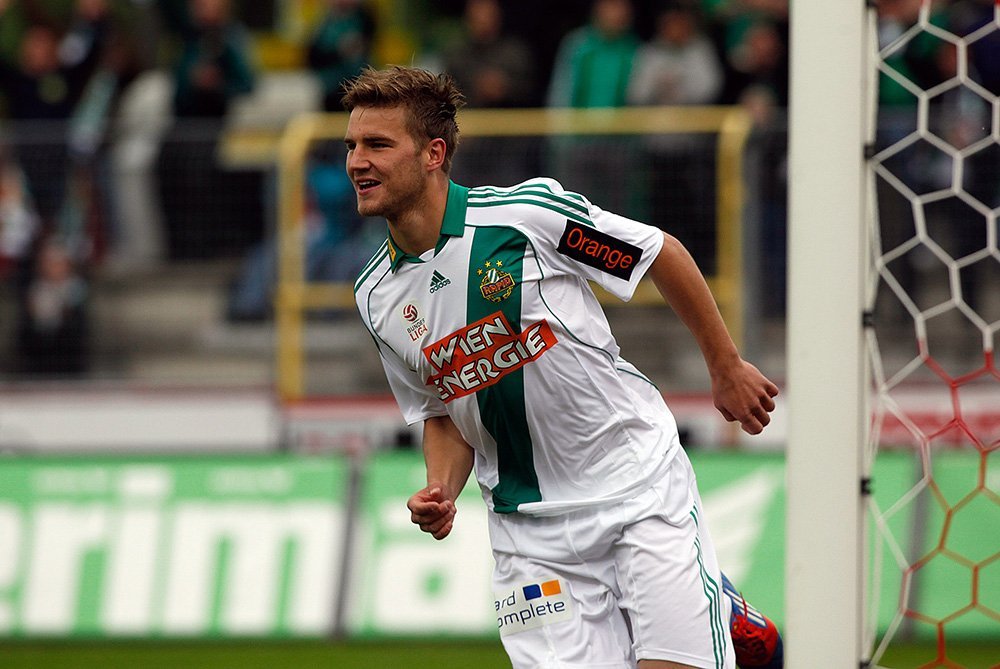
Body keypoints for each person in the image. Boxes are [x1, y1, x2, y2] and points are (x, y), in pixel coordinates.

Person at [346, 65, 782, 669]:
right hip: (529, 538)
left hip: (634, 487)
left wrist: (725, 365)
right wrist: (442, 488)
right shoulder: (375, 296)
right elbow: (442, 411)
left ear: (433, 154)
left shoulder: (525, 220)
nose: (357, 162)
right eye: (351, 146)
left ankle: (718, 611)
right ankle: (717, 609)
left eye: (377, 144)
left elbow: (656, 252)